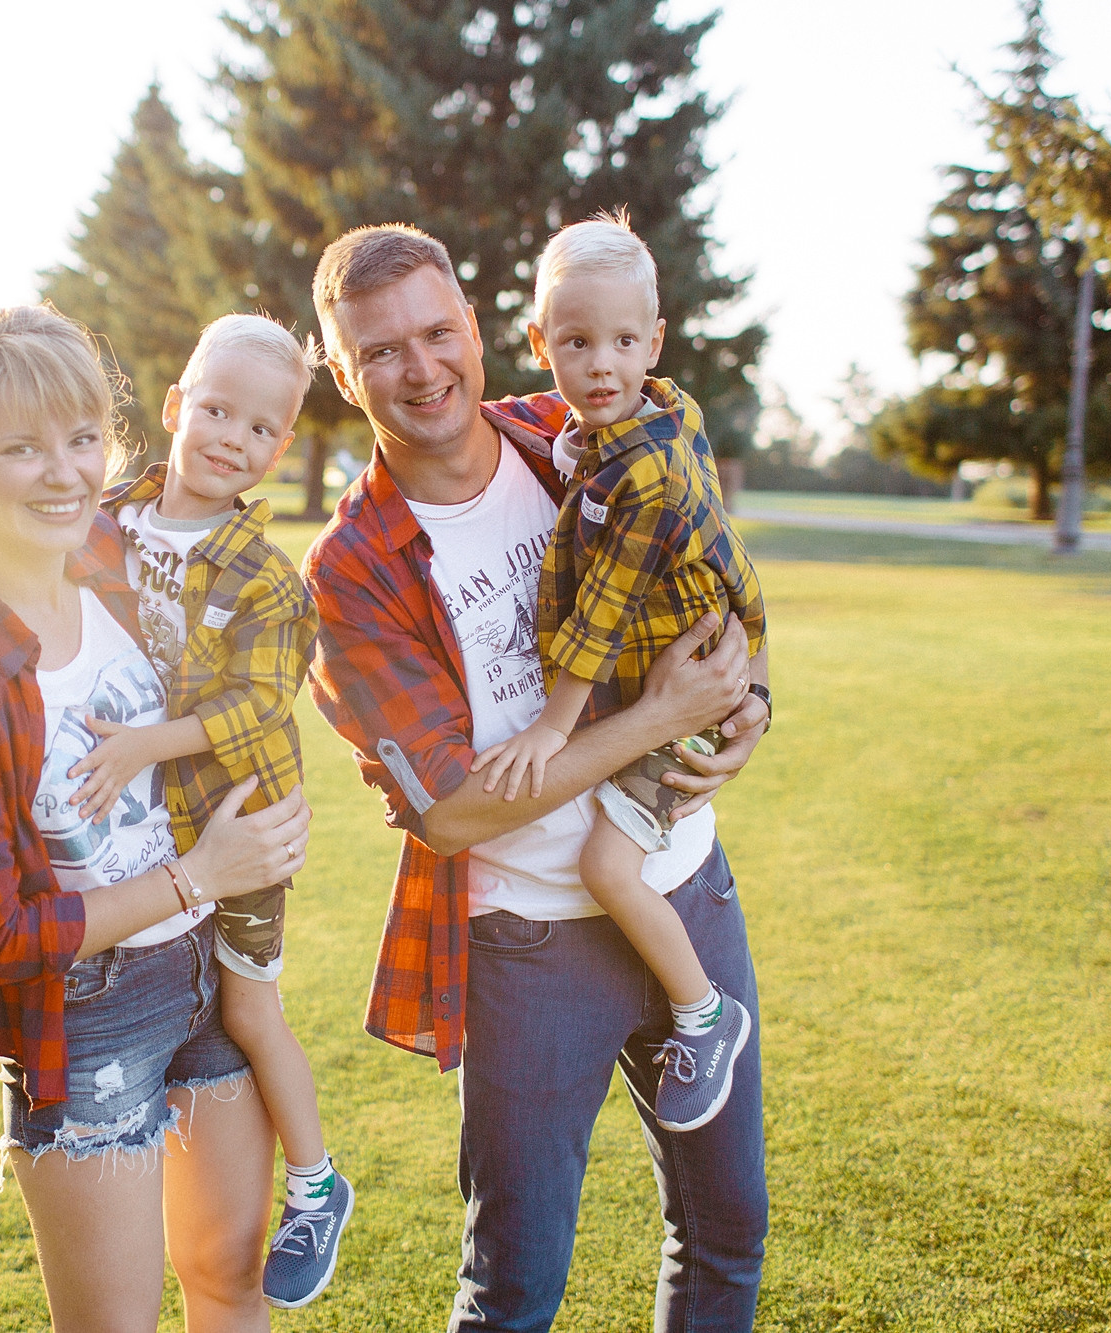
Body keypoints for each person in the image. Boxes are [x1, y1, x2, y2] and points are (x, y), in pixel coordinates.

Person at [300, 224, 773, 1333]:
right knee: (512, 1288)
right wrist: (662, 715)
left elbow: (702, 571)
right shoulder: (353, 570)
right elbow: (452, 811)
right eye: (379, 353)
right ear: (340, 372)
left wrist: (743, 707)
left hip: (684, 887)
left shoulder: (566, 435)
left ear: (473, 327)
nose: (419, 369)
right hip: (529, 940)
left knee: (725, 1235)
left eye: (434, 332)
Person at [0, 304, 311, 1332]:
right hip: (87, 1015)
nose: (66, 473)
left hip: (208, 975)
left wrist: (275, 804)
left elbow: (243, 684)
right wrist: (201, 874)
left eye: (83, 437)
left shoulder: (115, 563)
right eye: (22, 447)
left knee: (230, 1276)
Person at [65, 313, 354, 1308]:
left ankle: (316, 1186)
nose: (233, 435)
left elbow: (254, 703)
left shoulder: (270, 580)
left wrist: (143, 743)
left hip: (244, 823)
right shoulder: (105, 515)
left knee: (247, 1009)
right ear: (178, 407)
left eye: (260, 427)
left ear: (281, 447)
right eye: (217, 410)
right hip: (153, 835)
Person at [467, 212, 768, 1134]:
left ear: (657, 340)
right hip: (687, 670)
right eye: (577, 341)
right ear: (540, 344)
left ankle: (705, 1014)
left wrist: (554, 728)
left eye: (624, 342)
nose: (601, 365)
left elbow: (601, 617)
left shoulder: (644, 475)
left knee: (608, 859)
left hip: (678, 695)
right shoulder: (657, 411)